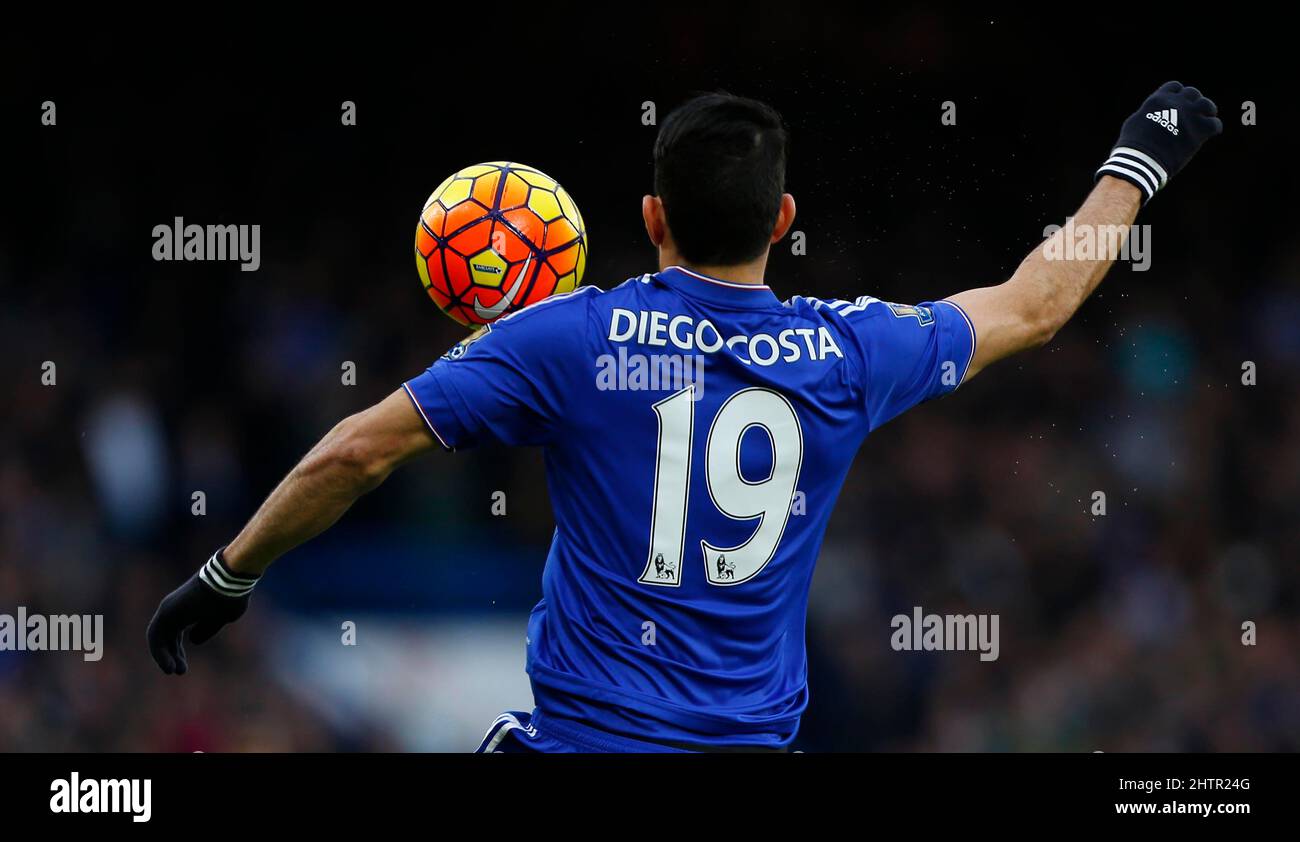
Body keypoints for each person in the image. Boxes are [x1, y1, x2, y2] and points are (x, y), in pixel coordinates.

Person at [148, 84, 1222, 752]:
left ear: (651, 216)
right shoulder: (851, 350)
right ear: (783, 221)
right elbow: (1039, 301)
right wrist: (1140, 153)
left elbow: (355, 450)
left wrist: (227, 575)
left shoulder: (567, 338)